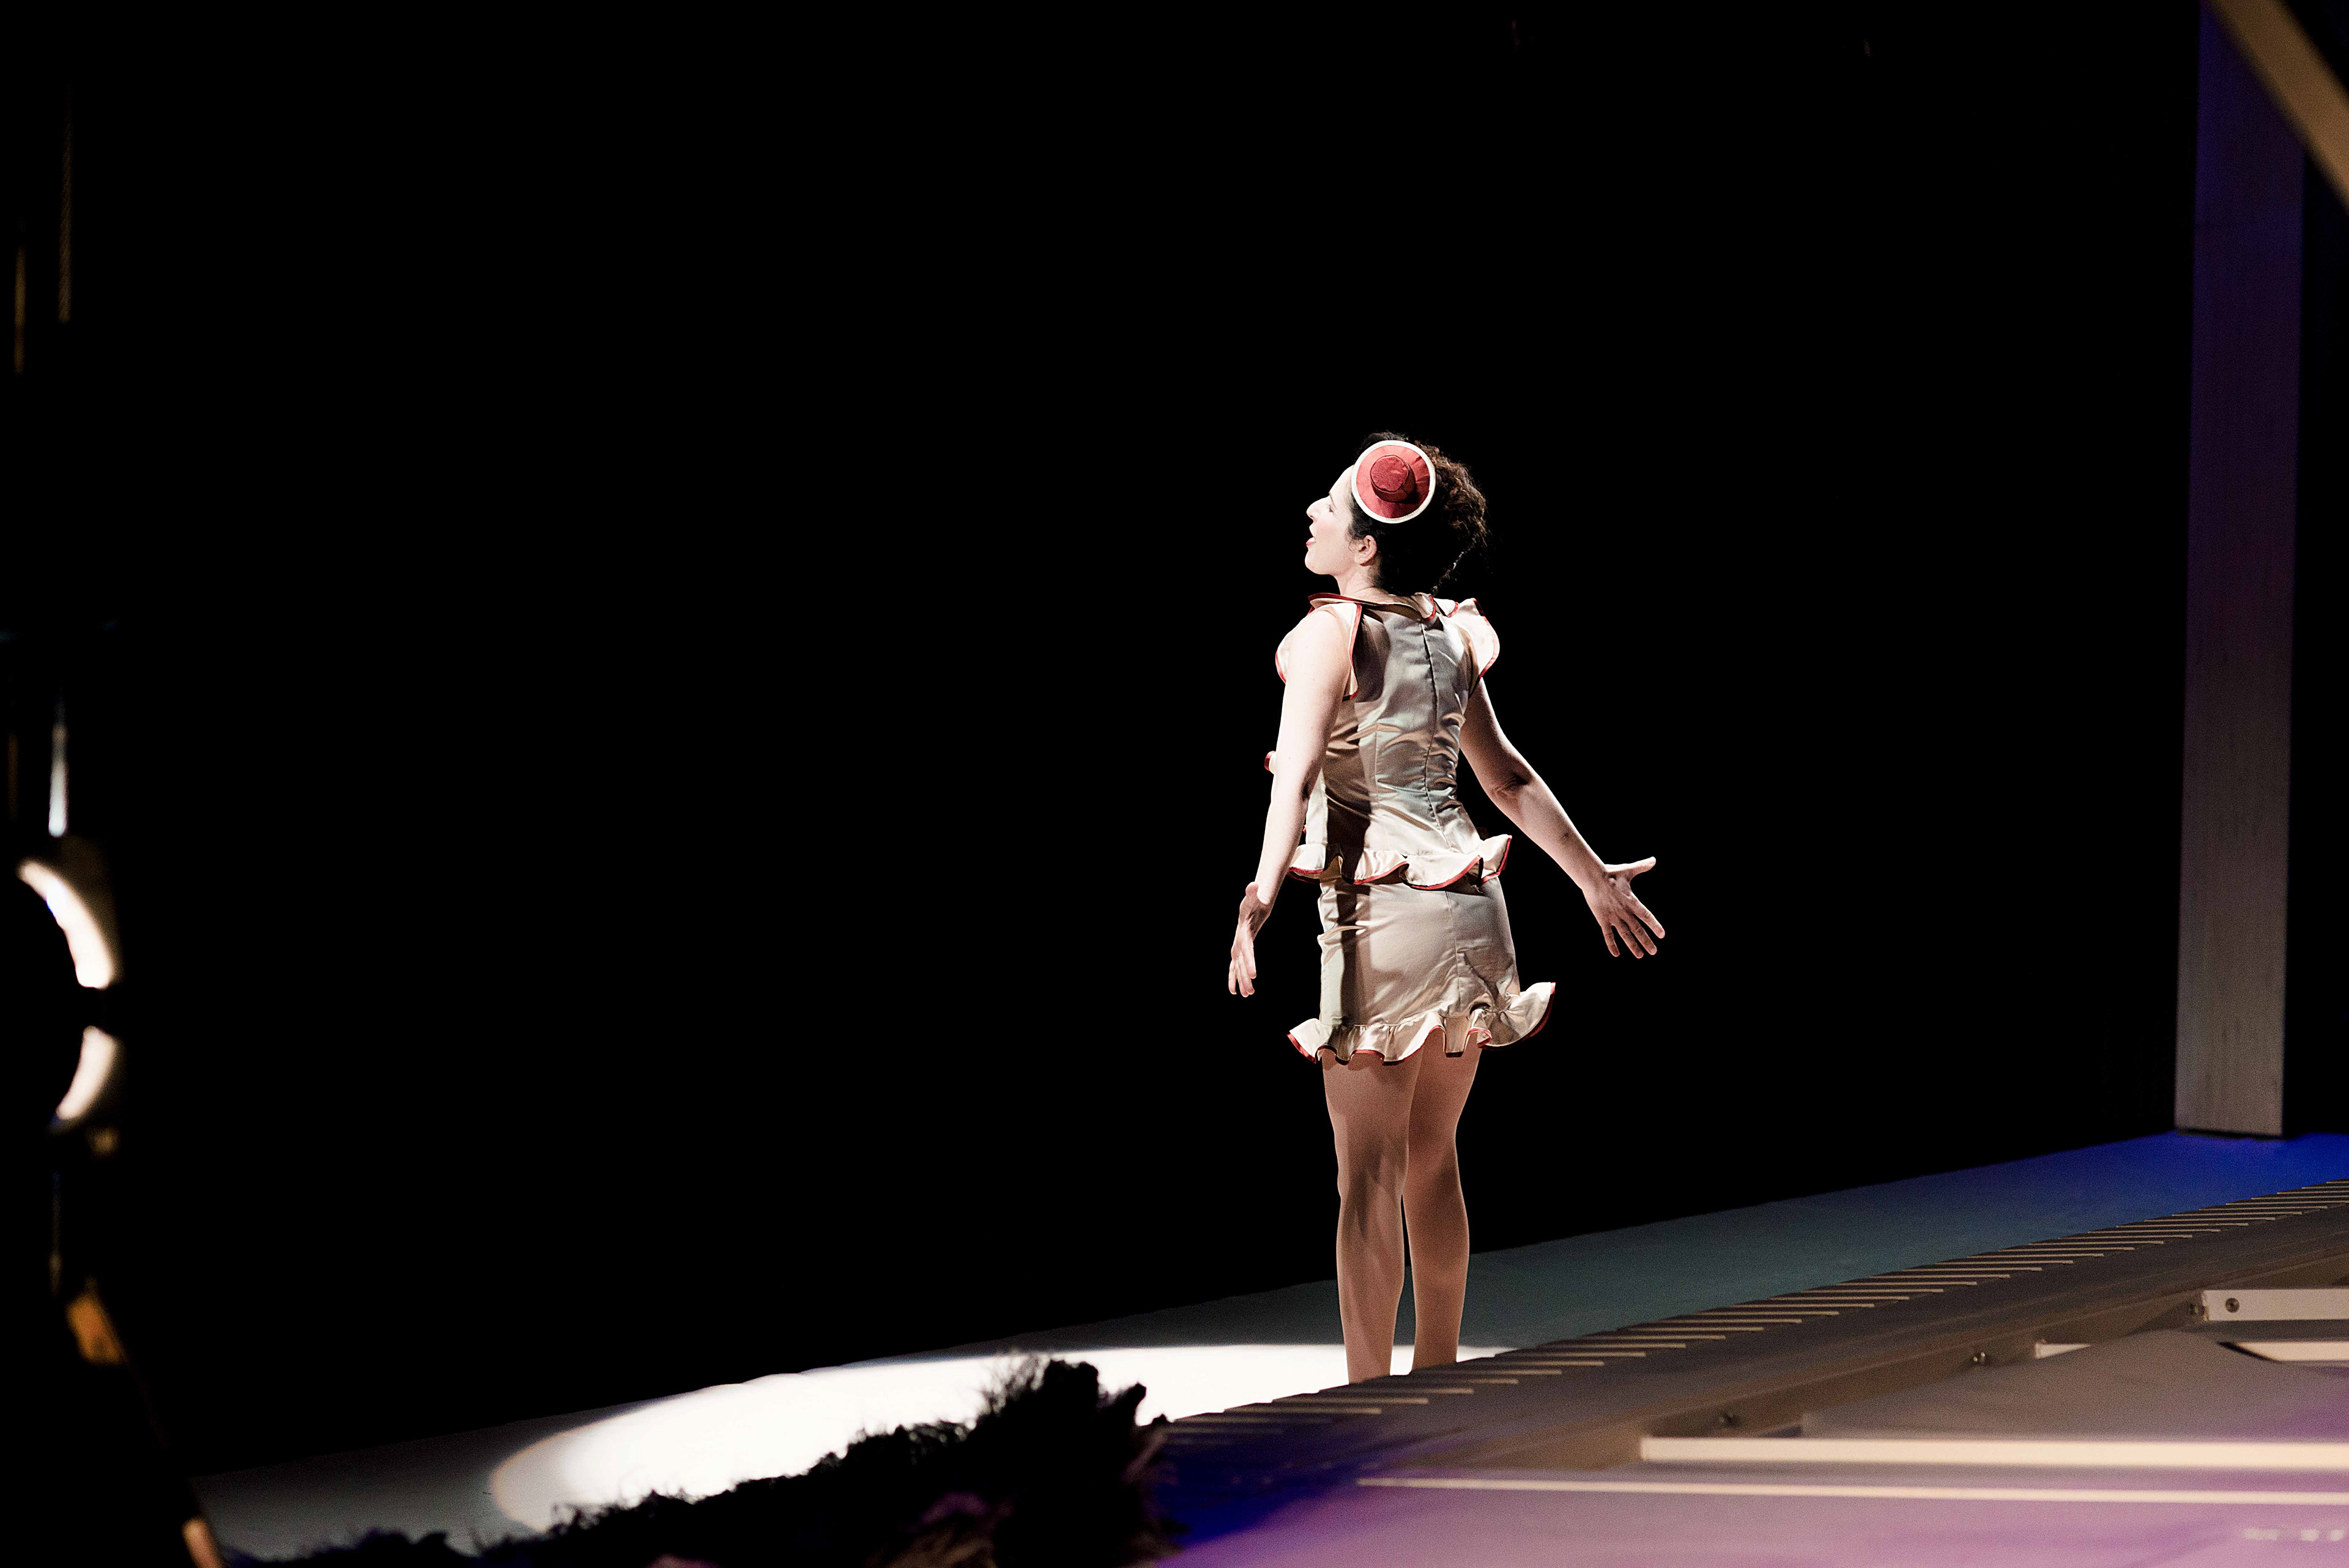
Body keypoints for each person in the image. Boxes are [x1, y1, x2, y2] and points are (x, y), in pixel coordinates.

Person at [1228, 434, 1665, 1385]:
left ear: (1368, 545)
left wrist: (1260, 893)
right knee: (1432, 1157)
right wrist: (1590, 877)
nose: (1312, 513)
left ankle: (1369, 1394)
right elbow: (1506, 779)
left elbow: (1294, 777)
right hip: (1471, 908)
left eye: (1331, 504)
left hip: (1382, 914)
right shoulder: (1448, 633)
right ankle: (1438, 1377)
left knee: (1367, 1175)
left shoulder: (1332, 634)